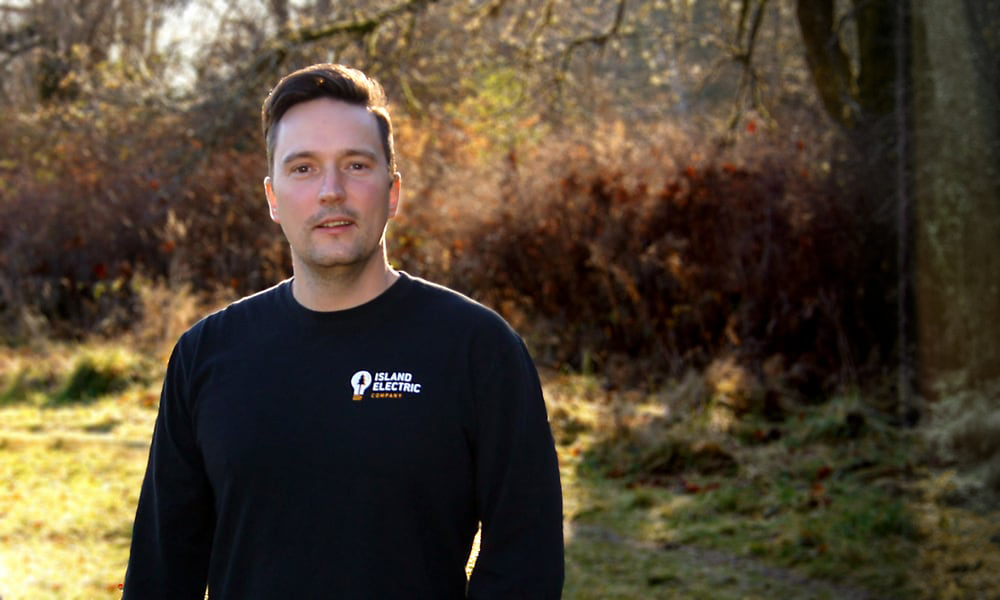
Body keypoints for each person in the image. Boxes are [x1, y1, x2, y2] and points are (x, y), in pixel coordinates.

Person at [122, 63, 564, 599]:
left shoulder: (477, 350)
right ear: (272, 197)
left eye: (356, 165)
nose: (332, 191)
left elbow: (526, 562)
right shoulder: (206, 355)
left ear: (393, 191)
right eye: (303, 168)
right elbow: (162, 570)